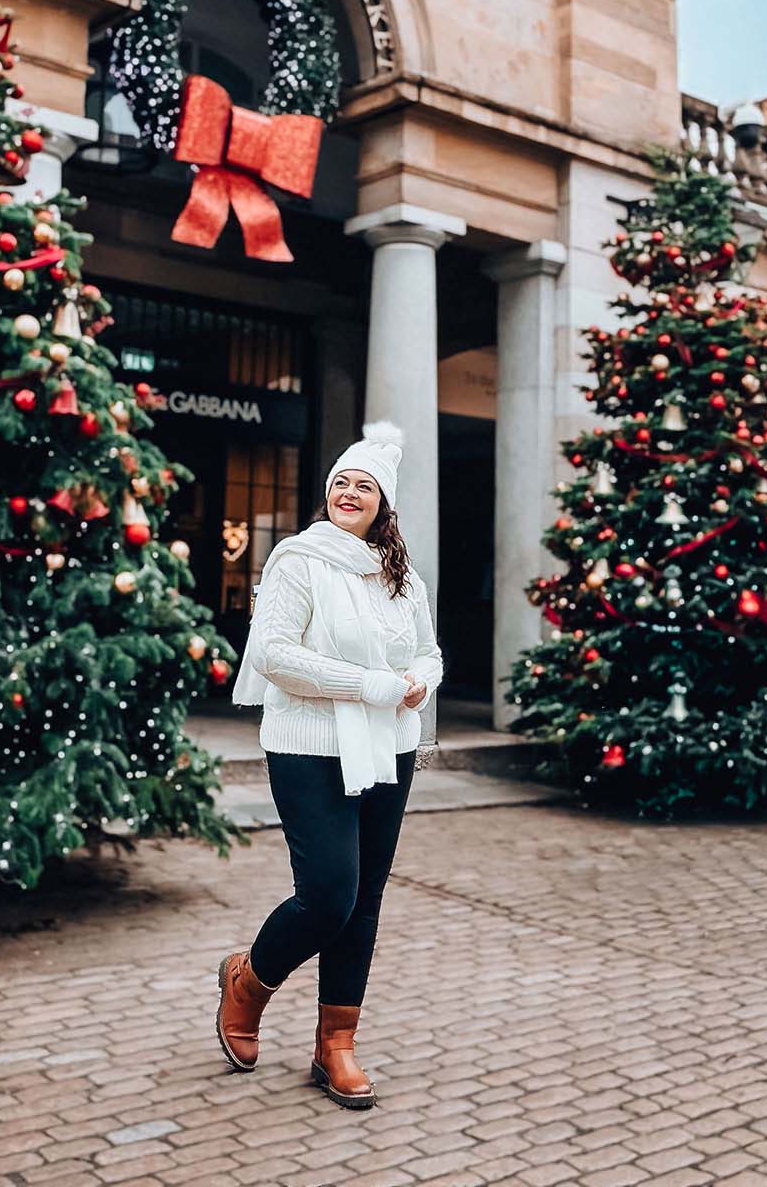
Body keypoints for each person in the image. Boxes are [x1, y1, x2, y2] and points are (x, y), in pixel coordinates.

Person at [215, 422, 444, 1109]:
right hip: (308, 746)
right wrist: (375, 685)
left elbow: (430, 652)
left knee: (364, 900)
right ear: (327, 494)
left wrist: (422, 680)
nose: (349, 491)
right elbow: (275, 655)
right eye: (341, 481)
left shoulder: (401, 577)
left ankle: (334, 1045)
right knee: (329, 895)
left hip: (389, 746)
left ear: (384, 504)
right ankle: (248, 982)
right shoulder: (298, 559)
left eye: (364, 485)